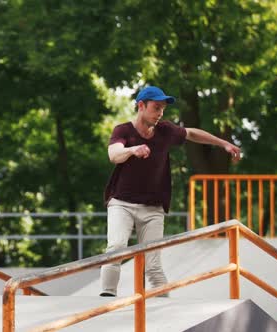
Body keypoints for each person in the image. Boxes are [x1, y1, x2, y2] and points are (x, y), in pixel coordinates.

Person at [99, 85, 241, 297]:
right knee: (116, 249)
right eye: (156, 108)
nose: (160, 114)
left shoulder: (165, 131)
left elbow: (192, 133)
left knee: (154, 265)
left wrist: (223, 144)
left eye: (163, 109)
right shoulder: (123, 131)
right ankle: (107, 298)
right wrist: (132, 150)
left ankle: (166, 312)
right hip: (122, 204)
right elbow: (114, 153)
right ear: (141, 106)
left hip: (153, 208)